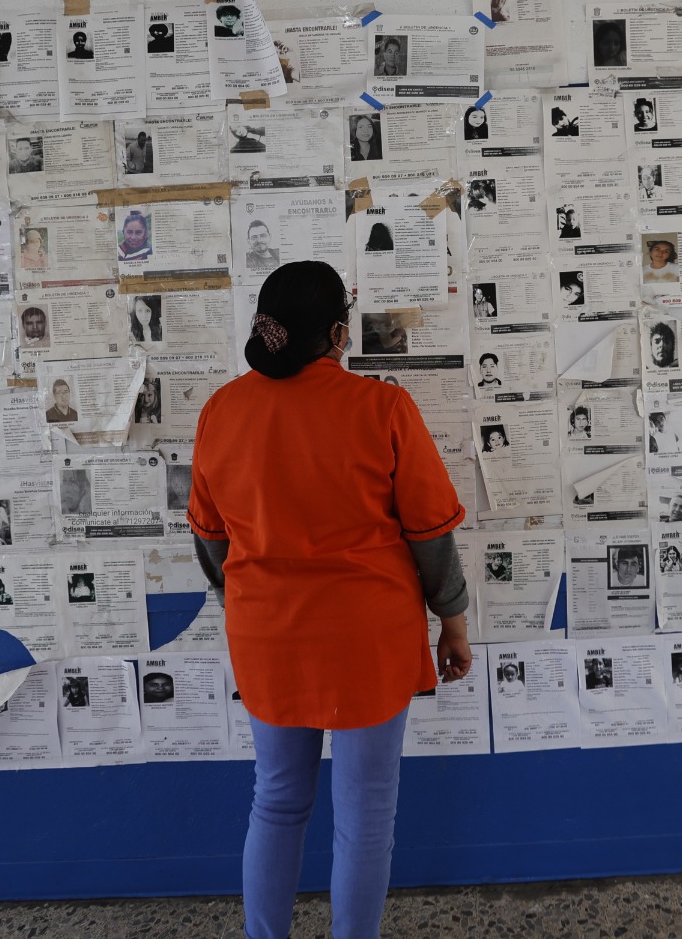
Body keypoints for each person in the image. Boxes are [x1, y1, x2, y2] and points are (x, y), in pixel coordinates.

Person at [186, 260, 470, 939]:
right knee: (366, 814)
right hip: (368, 637)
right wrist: (453, 623)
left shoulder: (222, 410)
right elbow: (431, 536)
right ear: (338, 333)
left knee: (278, 801)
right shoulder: (382, 408)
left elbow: (209, 536)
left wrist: (248, 599)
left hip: (267, 637)